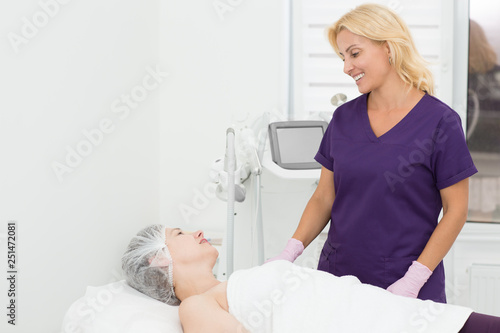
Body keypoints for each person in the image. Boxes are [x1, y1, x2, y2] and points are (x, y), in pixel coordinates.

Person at [268, 3, 478, 303]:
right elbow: (324, 197)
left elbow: (456, 212)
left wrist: (414, 279)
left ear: (389, 48)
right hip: (337, 278)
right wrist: (289, 252)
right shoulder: (343, 118)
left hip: (406, 283)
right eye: (343, 57)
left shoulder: (440, 122)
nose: (346, 67)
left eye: (354, 53)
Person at [121, 224, 500, 333]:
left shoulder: (230, 285)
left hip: (406, 317)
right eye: (180, 235)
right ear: (158, 259)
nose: (197, 232)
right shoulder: (196, 306)